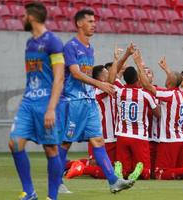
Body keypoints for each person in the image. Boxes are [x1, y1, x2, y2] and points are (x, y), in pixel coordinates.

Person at [59, 8, 134, 193]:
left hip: (88, 101)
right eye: (90, 21)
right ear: (79, 24)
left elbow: (84, 74)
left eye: (94, 21)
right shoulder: (70, 46)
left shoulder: (90, 48)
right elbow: (76, 73)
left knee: (98, 141)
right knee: (65, 143)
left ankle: (113, 181)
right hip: (73, 101)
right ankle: (56, 182)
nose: (94, 24)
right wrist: (99, 85)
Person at [8, 2, 65, 200]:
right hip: (28, 102)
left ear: (31, 17)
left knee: (50, 149)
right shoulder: (30, 43)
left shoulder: (53, 42)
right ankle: (29, 192)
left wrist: (51, 108)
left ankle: (52, 197)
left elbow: (59, 78)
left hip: (46, 104)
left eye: (24, 15)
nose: (22, 19)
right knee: (15, 143)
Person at [133, 50, 183, 180]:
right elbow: (175, 81)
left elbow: (147, 86)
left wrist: (139, 64)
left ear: (168, 83)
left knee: (159, 173)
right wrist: (167, 70)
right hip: (182, 139)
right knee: (175, 173)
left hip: (169, 141)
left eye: (167, 79)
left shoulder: (168, 94)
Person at [113, 65, 160, 181]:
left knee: (125, 170)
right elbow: (158, 114)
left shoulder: (119, 91)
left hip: (122, 135)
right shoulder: (145, 94)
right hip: (139, 136)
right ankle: (139, 171)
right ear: (138, 78)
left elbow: (114, 77)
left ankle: (120, 169)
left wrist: (118, 61)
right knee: (146, 174)